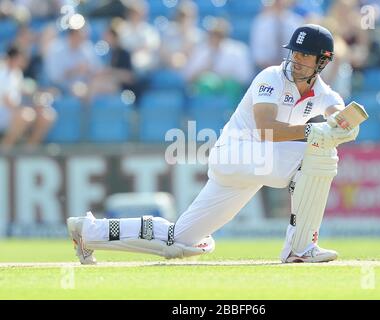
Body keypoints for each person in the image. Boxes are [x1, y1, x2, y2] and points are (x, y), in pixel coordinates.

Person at [67, 24, 360, 264]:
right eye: (294, 51)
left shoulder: (324, 93)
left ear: (322, 61)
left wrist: (342, 129)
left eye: (305, 55)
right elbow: (267, 130)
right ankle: (300, 248)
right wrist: (316, 133)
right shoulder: (271, 77)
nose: (296, 59)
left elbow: (341, 119)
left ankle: (89, 231)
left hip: (247, 169)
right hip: (238, 153)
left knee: (180, 242)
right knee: (320, 154)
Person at [0, 46, 56, 150]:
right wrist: (27, 108)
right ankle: (4, 149)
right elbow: (8, 102)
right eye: (21, 57)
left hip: (11, 110)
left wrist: (37, 103)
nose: (24, 61)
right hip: (3, 111)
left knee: (46, 115)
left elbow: (22, 92)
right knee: (26, 115)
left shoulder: (17, 73)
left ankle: (29, 149)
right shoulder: (2, 73)